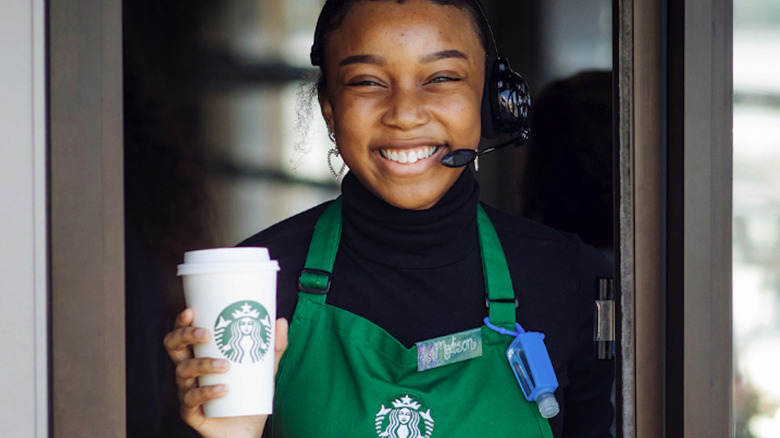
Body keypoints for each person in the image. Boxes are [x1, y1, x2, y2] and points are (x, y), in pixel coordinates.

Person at [164, 1, 614, 437]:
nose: (404, 114)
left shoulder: (569, 278)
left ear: (489, 100)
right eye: (367, 81)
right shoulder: (252, 291)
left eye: (441, 77)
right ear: (329, 107)